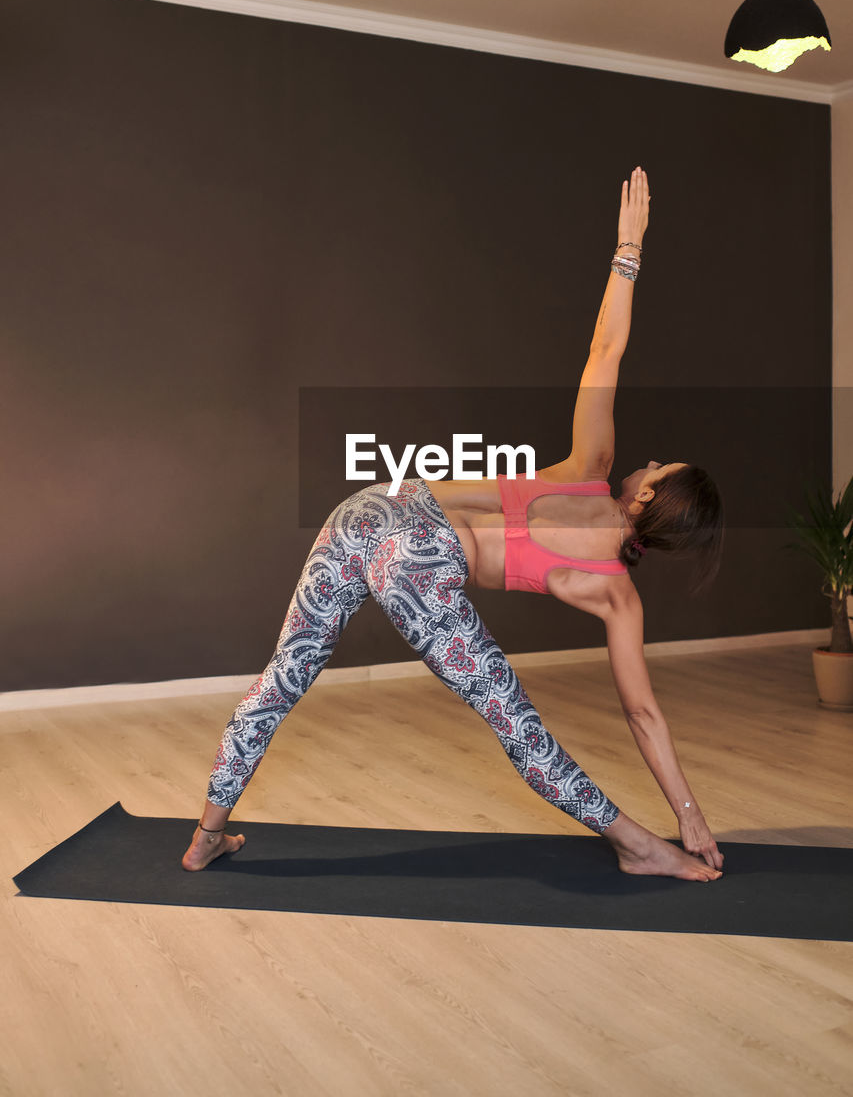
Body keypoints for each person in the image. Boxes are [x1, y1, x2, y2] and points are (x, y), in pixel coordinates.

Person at [182, 167, 725, 882]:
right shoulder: (616, 594)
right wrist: (687, 811)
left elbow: (604, 349)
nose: (646, 462)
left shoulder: (589, 465)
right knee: (516, 726)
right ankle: (638, 843)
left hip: (368, 508)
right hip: (417, 558)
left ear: (650, 492)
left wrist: (628, 248)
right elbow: (643, 715)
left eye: (656, 468)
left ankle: (205, 835)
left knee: (283, 676)